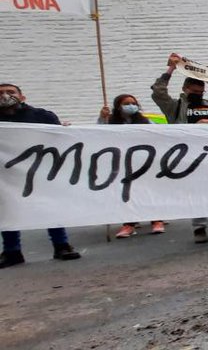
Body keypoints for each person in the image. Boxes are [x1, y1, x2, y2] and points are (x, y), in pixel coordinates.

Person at [151, 54, 208, 243]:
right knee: (198, 192)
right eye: (194, 91)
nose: (198, 94)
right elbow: (158, 92)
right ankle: (199, 228)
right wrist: (170, 69)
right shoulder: (175, 106)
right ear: (185, 89)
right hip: (189, 156)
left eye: (201, 91)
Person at [0, 83, 82, 267]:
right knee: (8, 210)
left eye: (10, 92)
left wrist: (66, 131)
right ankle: (12, 251)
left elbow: (58, 140)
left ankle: (61, 245)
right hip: (7, 174)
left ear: (22, 97)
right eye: (1, 93)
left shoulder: (42, 116)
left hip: (41, 170)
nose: (5, 96)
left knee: (49, 205)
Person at [102, 94, 168, 239]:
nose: (131, 105)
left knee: (150, 190)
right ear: (118, 106)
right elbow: (99, 135)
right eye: (127, 103)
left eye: (133, 103)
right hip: (123, 163)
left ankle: (156, 220)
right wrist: (102, 118)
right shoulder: (111, 121)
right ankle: (129, 224)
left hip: (144, 161)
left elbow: (159, 134)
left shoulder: (144, 121)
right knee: (127, 192)